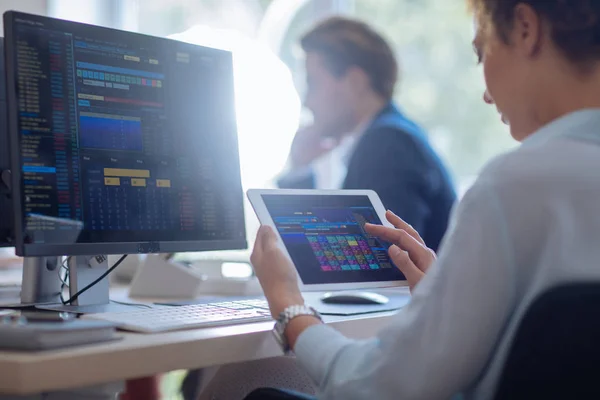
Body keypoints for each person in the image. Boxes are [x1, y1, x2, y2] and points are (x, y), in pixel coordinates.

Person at [244, 0, 600, 399]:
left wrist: (289, 308)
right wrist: (447, 292)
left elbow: (377, 388)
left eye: (482, 51)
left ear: (524, 28)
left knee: (246, 388)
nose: (485, 93)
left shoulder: (513, 186)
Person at [278, 16, 456, 252]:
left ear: (354, 82)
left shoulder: (387, 143)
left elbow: (368, 260)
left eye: (313, 83)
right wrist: (299, 169)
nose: (307, 101)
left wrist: (297, 174)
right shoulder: (392, 134)